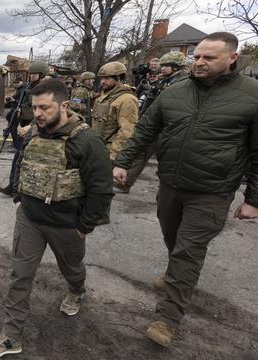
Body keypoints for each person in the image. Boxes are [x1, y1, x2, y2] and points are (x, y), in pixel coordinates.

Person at [113, 32, 258, 348]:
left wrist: (252, 200)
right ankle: (175, 271)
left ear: (232, 58)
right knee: (172, 238)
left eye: (209, 58)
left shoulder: (252, 95)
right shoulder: (174, 93)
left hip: (212, 192)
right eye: (197, 57)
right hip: (171, 185)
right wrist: (123, 162)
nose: (200, 63)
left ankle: (167, 320)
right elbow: (145, 131)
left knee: (188, 250)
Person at [0, 79, 112, 358]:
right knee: (20, 275)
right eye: (34, 107)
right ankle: (11, 336)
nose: (38, 113)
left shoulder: (88, 141)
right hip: (29, 218)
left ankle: (76, 290)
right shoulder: (33, 133)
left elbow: (101, 189)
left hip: (66, 224)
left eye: (44, 107)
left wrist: (83, 227)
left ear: (64, 105)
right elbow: (20, 164)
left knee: (72, 269)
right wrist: (19, 195)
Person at [123, 51, 189, 192]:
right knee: (142, 151)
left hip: (171, 127)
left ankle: (169, 189)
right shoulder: (164, 81)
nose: (162, 68)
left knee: (168, 159)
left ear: (176, 67)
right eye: (163, 65)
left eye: (167, 66)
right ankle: (125, 182)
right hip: (156, 124)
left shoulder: (184, 83)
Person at [0, 62, 49, 196]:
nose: (31, 76)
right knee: (21, 158)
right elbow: (26, 103)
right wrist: (20, 108)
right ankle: (15, 187)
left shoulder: (46, 90)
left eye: (34, 74)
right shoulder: (29, 87)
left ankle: (19, 188)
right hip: (28, 126)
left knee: (23, 159)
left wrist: (31, 125)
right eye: (30, 74)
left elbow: (45, 112)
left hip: (39, 129)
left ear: (42, 75)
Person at [92, 62, 140, 196]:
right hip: (97, 148)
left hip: (109, 151)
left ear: (119, 78)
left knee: (101, 191)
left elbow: (127, 131)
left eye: (107, 78)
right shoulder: (104, 96)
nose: (103, 81)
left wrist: (114, 155)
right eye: (102, 78)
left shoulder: (127, 99)